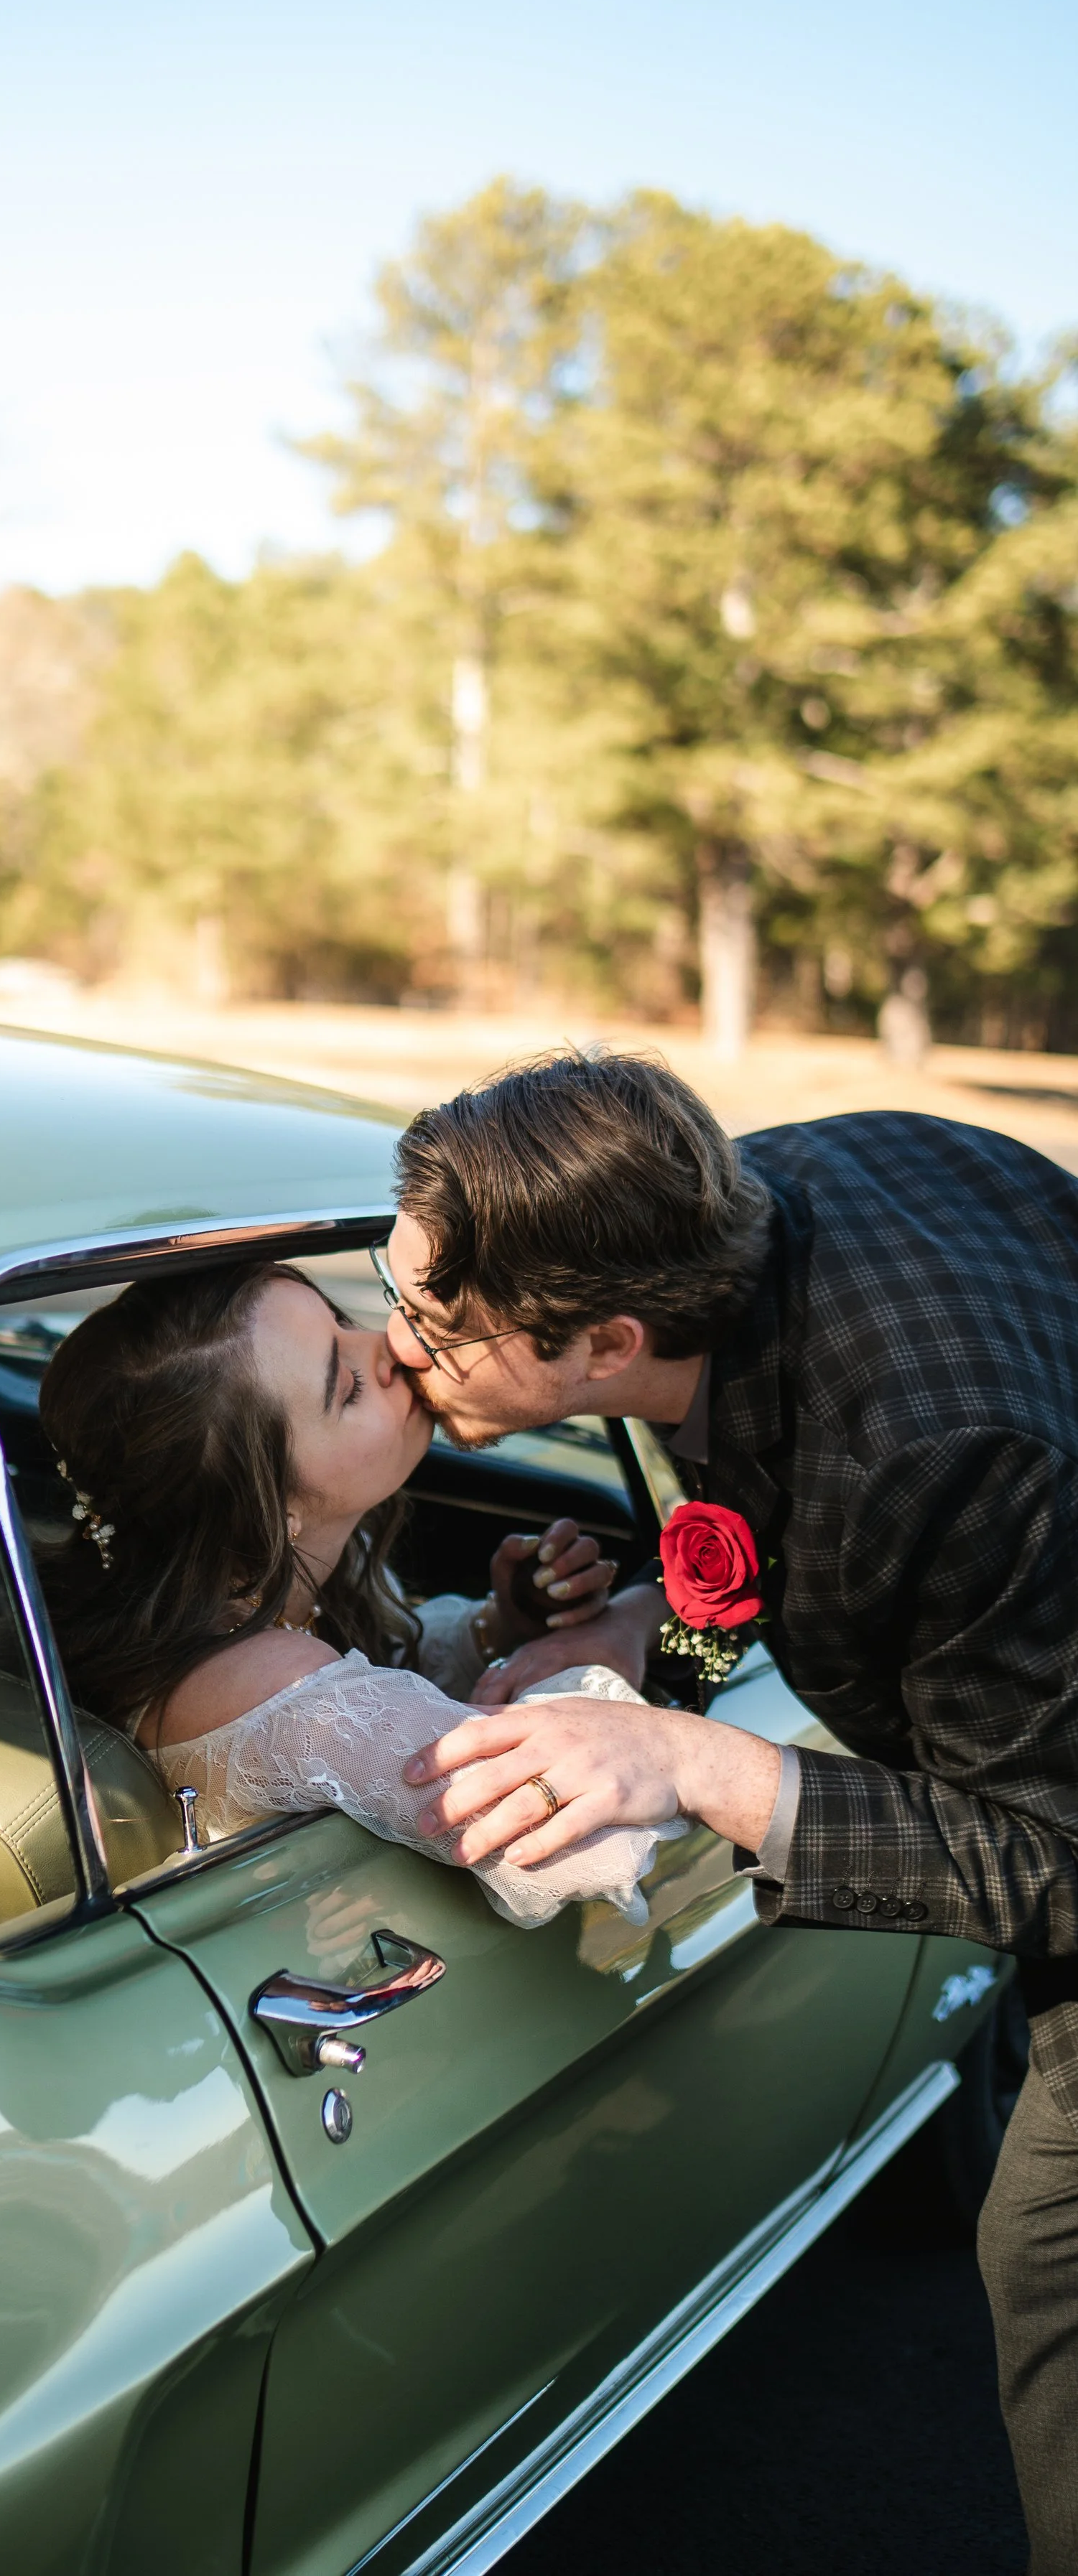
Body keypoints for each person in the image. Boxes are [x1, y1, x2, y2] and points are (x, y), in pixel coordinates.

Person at [380, 1047, 1078, 2573]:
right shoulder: (736, 1209)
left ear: (603, 1342)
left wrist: (689, 1765)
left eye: (436, 1326)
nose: (395, 1347)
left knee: (1051, 2263)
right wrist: (644, 1627)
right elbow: (769, 1492)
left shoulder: (935, 1443)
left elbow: (1052, 1857)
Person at [36, 1260, 684, 1928]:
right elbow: (592, 1854)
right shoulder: (283, 1690)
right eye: (346, 1389)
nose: (392, 1345)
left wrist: (501, 1629)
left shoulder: (224, 1618)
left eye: (342, 1320)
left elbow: (382, 1692)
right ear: (266, 1513)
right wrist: (597, 1653)